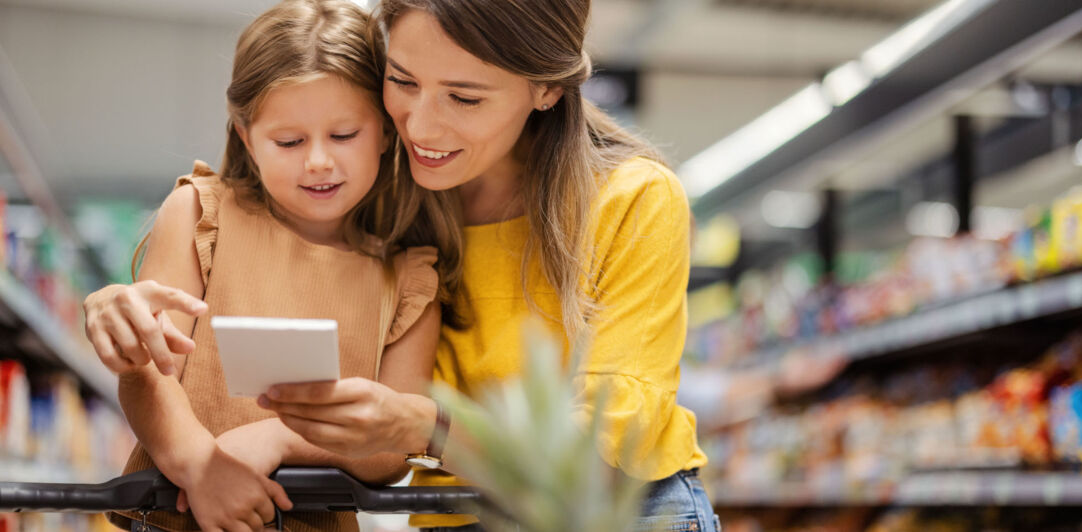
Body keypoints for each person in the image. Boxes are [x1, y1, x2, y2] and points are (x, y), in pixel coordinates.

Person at [256, 0, 720, 530]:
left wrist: (423, 427)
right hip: (452, 516)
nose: (421, 126)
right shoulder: (378, 199)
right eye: (403, 82)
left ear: (546, 89)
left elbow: (597, 456)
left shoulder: (631, 199)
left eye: (464, 97)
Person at [80, 1, 460, 530]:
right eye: (289, 141)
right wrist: (202, 467)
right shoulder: (199, 214)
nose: (319, 161)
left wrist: (280, 438)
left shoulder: (411, 279)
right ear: (244, 135)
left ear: (388, 132)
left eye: (345, 135)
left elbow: (390, 451)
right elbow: (149, 372)